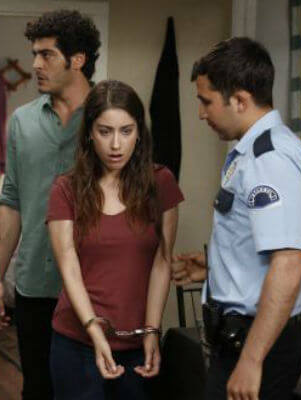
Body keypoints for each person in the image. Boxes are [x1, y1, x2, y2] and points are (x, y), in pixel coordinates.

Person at [175, 37, 301, 400]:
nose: (201, 113)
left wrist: (252, 360)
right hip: (242, 338)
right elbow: (263, 245)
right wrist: (216, 267)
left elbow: (289, 266)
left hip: (258, 344)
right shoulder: (256, 150)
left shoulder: (269, 160)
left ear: (239, 100)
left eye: (206, 101)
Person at [0, 9, 101, 399]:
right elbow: (11, 202)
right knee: (37, 389)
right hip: (34, 285)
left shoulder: (111, 118)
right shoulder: (22, 121)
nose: (35, 64)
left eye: (46, 54)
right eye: (34, 54)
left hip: (94, 285)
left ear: (77, 59)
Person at [46, 80, 183, 399]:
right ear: (89, 134)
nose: (116, 144)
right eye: (105, 131)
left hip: (138, 345)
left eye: (126, 131)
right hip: (77, 343)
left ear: (139, 133)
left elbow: (162, 261)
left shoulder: (161, 182)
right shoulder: (65, 189)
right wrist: (95, 331)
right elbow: (68, 266)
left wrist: (152, 330)